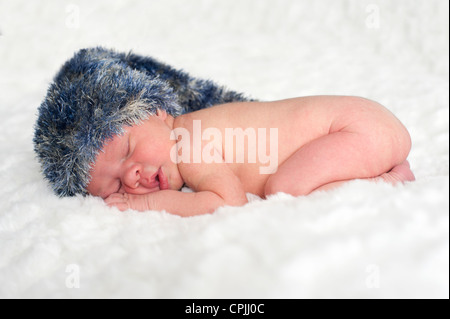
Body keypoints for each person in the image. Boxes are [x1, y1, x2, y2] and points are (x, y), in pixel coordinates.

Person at [87, 96, 415, 216]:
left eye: (128, 149)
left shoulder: (188, 141)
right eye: (116, 185)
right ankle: (381, 164)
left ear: (158, 114)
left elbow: (228, 202)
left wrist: (141, 204)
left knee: (284, 188)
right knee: (287, 184)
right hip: (368, 125)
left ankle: (385, 180)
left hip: (354, 128)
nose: (130, 174)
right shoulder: (199, 126)